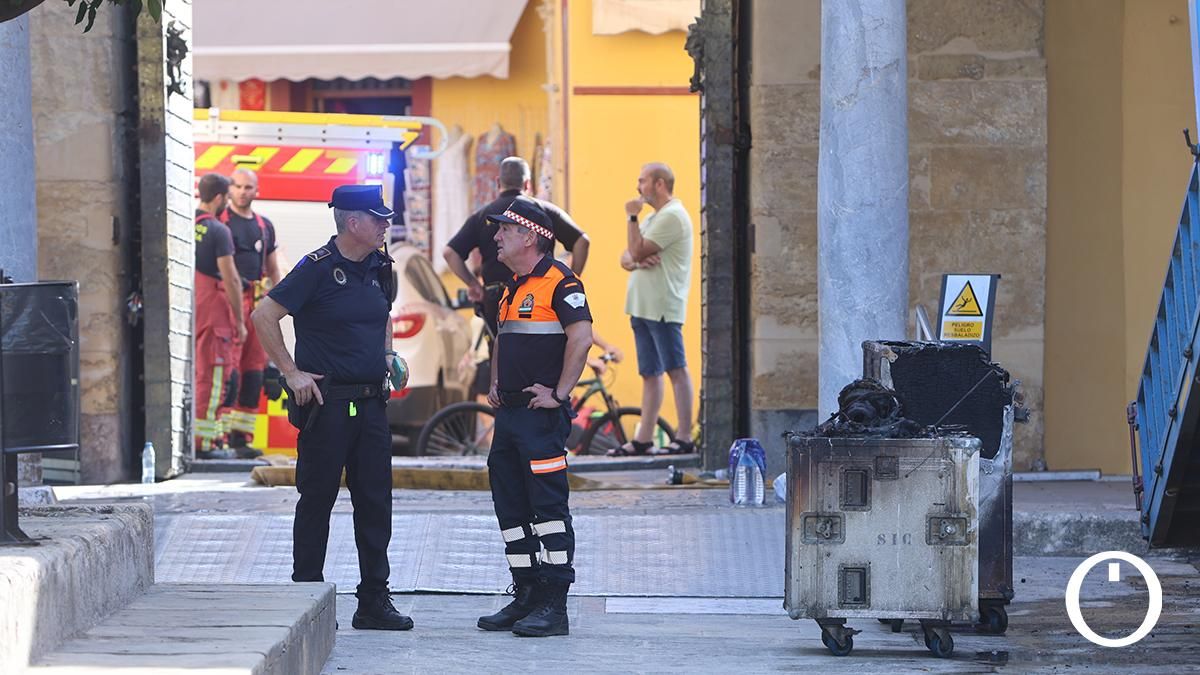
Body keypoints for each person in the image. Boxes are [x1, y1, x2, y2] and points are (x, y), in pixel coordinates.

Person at [251, 184, 413, 631]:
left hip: (371, 403)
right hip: (328, 404)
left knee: (376, 503)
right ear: (352, 222)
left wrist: (386, 356)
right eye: (378, 218)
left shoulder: (381, 266)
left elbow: (382, 317)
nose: (386, 225)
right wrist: (291, 372)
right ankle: (307, 597)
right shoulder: (316, 269)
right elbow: (263, 316)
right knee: (317, 500)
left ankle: (374, 600)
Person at [476, 195, 592, 638]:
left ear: (530, 236)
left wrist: (560, 394)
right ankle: (525, 595)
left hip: (540, 420)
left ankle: (554, 605)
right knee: (510, 507)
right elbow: (504, 340)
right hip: (509, 417)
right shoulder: (513, 286)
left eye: (505, 229)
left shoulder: (561, 282)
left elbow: (581, 339)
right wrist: (494, 381)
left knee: (547, 508)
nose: (497, 236)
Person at [444, 156, 589, 337]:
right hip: (541, 293)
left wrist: (474, 285)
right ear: (527, 183)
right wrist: (573, 279)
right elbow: (582, 241)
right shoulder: (544, 211)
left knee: (502, 350)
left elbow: (450, 253)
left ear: (498, 182)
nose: (499, 236)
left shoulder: (483, 215)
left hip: (495, 296)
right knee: (544, 347)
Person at [616, 162, 695, 456]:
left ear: (660, 184)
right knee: (650, 373)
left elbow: (634, 249)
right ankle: (644, 438)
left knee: (675, 368)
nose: (638, 187)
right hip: (642, 306)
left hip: (662, 305)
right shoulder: (654, 218)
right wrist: (636, 258)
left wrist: (632, 217)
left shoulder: (672, 216)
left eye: (643, 180)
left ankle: (685, 436)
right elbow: (626, 256)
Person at [219, 167, 282, 458]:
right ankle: (218, 437)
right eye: (238, 186)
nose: (243, 192)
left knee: (254, 373)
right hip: (227, 302)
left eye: (248, 187)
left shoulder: (264, 226)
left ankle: (241, 438)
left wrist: (280, 304)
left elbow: (273, 270)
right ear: (229, 189)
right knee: (226, 372)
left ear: (257, 191)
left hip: (256, 301)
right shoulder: (221, 222)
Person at [194, 173, 244, 460]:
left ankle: (204, 438)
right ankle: (206, 443)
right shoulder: (218, 230)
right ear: (219, 198)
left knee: (202, 375)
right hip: (215, 314)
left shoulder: (187, 224)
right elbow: (232, 280)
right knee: (214, 378)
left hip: (196, 309)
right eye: (226, 197)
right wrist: (239, 321)